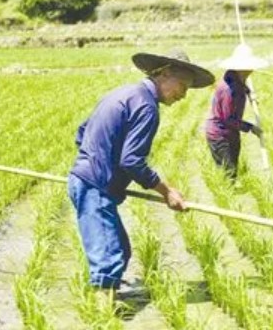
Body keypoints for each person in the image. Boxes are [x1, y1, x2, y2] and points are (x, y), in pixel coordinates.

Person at [67, 48, 214, 307]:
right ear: (164, 74)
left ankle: (110, 298)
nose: (183, 96)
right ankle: (101, 314)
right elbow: (132, 161)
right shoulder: (146, 107)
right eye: (182, 86)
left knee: (121, 250)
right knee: (108, 256)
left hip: (88, 181)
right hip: (94, 186)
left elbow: (82, 132)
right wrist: (167, 191)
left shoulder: (122, 93)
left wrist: (96, 164)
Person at [205, 44, 268, 179]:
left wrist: (250, 93)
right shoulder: (230, 90)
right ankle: (228, 197)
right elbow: (228, 119)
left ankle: (231, 191)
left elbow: (242, 86)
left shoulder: (235, 78)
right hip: (220, 134)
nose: (252, 70)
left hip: (230, 132)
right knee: (228, 172)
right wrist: (250, 128)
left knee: (233, 169)